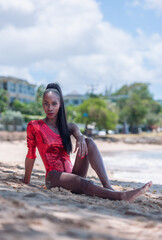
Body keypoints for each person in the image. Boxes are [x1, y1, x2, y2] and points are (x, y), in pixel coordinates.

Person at [23, 83, 152, 202]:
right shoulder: (35, 126)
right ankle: (121, 196)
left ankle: (108, 186)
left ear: (60, 104)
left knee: (88, 141)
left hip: (73, 175)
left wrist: (80, 137)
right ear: (42, 103)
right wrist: (26, 180)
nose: (49, 108)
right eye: (46, 103)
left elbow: (77, 132)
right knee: (86, 183)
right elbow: (31, 154)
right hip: (54, 177)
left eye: (54, 103)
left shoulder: (68, 127)